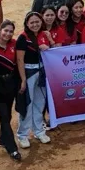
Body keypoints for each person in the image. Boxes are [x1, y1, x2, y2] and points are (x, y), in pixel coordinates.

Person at [0, 21, 21, 162]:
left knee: (7, 114)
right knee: (4, 114)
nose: (8, 34)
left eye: (11, 31)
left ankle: (2, 138)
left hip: (11, 84)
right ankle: (12, 148)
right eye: (5, 30)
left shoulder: (15, 44)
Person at [16, 12, 51, 147]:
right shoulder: (23, 38)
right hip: (29, 72)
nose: (35, 24)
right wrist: (23, 79)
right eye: (32, 22)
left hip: (42, 71)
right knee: (28, 104)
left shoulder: (44, 35)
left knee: (39, 102)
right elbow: (20, 60)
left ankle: (39, 131)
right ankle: (23, 135)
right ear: (27, 24)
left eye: (37, 21)